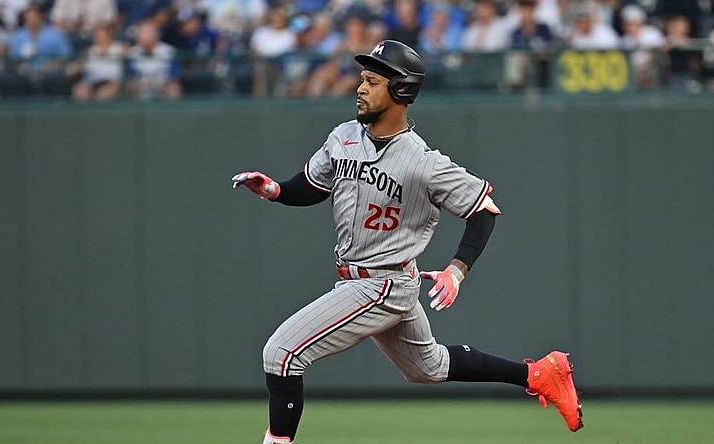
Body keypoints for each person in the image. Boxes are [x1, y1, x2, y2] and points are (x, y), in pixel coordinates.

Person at [230, 39, 584, 444]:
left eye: (373, 81)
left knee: (282, 354)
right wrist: (274, 189)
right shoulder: (344, 136)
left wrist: (457, 270)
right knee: (427, 367)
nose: (361, 88)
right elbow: (311, 186)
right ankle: (540, 374)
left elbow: (484, 210)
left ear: (401, 90)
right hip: (357, 280)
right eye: (362, 79)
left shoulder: (424, 163)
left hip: (383, 285)